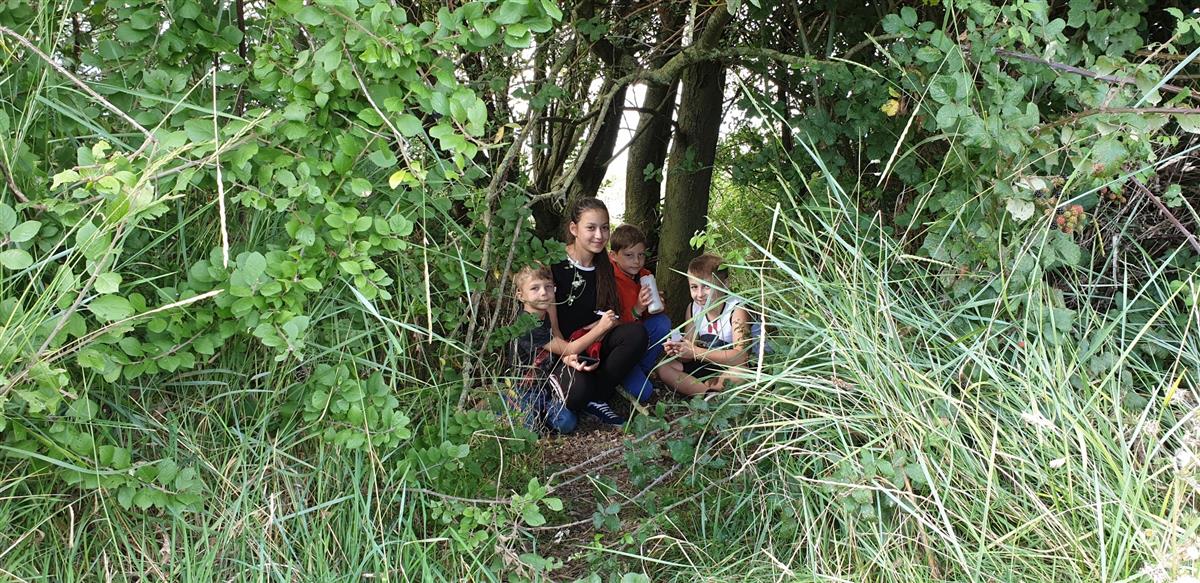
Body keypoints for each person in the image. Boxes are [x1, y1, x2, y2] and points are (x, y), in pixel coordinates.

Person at [549, 197, 649, 424]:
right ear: (574, 229)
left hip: (595, 346)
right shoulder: (555, 263)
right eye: (591, 228)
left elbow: (612, 314)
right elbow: (548, 326)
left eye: (604, 228)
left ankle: (598, 397)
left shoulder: (604, 265)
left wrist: (602, 330)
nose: (599, 235)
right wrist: (567, 355)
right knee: (577, 392)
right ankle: (568, 394)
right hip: (564, 350)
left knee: (636, 334)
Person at [507, 264, 615, 433]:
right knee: (527, 429)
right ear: (520, 295)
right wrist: (601, 328)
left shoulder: (544, 316)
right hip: (523, 390)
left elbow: (558, 349)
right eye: (535, 288)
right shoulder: (526, 324)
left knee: (566, 423)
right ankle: (507, 403)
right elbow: (570, 348)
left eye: (548, 287)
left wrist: (567, 359)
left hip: (545, 388)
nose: (543, 293)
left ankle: (541, 415)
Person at [661, 253, 753, 394]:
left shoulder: (737, 309)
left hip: (736, 367)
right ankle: (707, 394)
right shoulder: (693, 308)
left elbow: (741, 358)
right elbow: (687, 356)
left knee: (740, 373)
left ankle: (704, 391)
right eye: (694, 287)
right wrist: (679, 350)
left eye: (706, 286)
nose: (699, 294)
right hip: (709, 364)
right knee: (664, 367)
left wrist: (695, 352)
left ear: (725, 284)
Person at [608, 224, 671, 401]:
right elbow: (611, 327)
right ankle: (624, 375)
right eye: (629, 255)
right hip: (618, 349)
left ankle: (640, 370)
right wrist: (637, 309)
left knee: (662, 322)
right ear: (613, 256)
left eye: (641, 255)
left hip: (639, 340)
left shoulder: (644, 275)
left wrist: (657, 305)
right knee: (644, 393)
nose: (636, 261)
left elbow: (651, 319)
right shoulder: (608, 280)